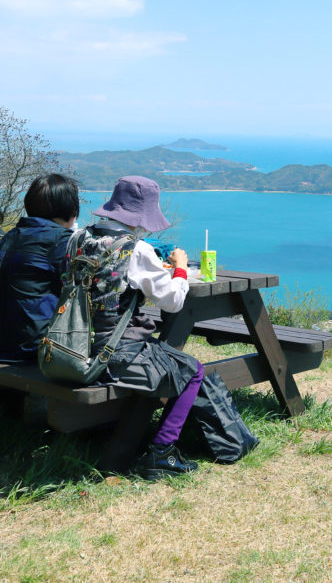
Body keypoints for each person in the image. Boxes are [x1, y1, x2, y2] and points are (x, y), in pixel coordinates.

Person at [83, 176, 206, 479]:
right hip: (114, 352)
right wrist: (179, 266)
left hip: (74, 345)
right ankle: (161, 453)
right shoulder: (136, 250)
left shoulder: (79, 237)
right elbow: (174, 301)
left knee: (163, 361)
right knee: (191, 370)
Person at [0, 174, 79, 362]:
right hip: (35, 348)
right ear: (71, 209)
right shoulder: (61, 241)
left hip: (4, 343)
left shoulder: (11, 236)